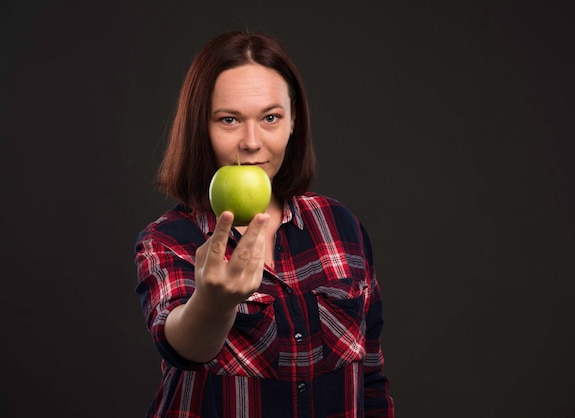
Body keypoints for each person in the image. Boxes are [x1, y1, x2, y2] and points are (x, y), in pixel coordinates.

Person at [134, 29, 395, 418]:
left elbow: (369, 374)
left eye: (270, 117)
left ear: (294, 122)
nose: (252, 142)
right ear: (200, 128)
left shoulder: (341, 227)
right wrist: (213, 302)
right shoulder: (168, 240)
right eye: (229, 120)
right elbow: (182, 347)